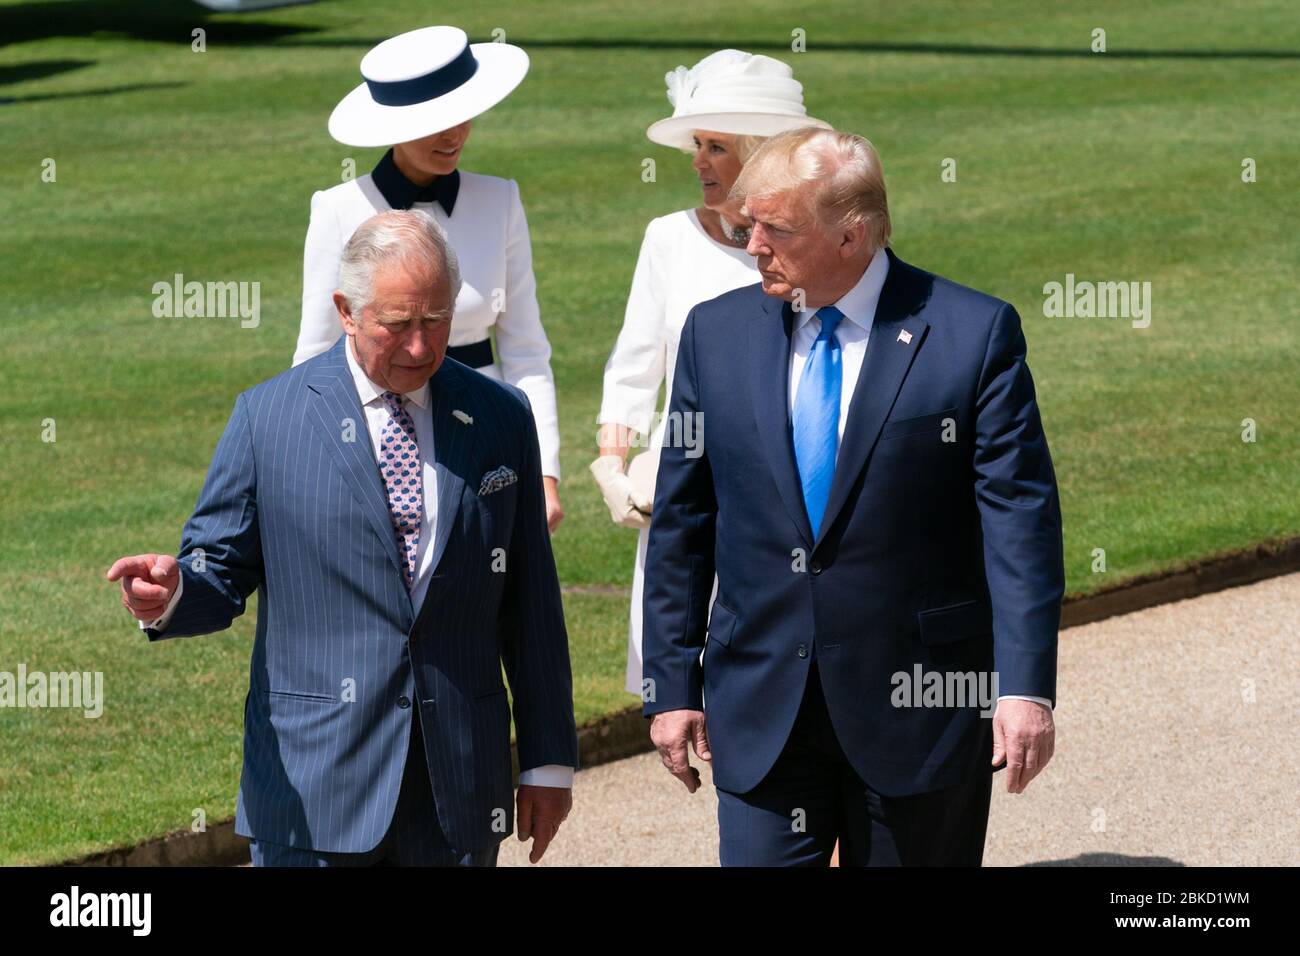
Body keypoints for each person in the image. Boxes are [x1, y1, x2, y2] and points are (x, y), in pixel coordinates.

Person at [642, 128, 1064, 866]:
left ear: (853, 234)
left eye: (776, 228)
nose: (753, 247)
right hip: (761, 707)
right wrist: (671, 683)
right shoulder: (715, 336)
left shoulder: (973, 335)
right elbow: (684, 520)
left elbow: (1018, 526)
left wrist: (1026, 688)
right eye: (748, 226)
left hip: (920, 710)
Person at [107, 210, 578, 866]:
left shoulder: (500, 417)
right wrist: (173, 593)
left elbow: (531, 601)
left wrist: (548, 762)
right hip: (312, 791)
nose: (420, 347)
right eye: (399, 325)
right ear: (346, 311)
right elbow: (219, 569)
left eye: (435, 320)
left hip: (458, 792)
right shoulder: (269, 419)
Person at [590, 49, 830, 697]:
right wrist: (613, 464)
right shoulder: (666, 239)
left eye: (716, 147)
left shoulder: (818, 245)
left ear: (760, 155)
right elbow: (635, 364)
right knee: (681, 687)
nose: (698, 161)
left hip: (788, 497)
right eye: (698, 145)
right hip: (690, 491)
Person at [295, 25, 564, 532]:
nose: (455, 134)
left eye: (463, 115)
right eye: (436, 121)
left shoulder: (500, 199)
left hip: (486, 434)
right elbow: (315, 355)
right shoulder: (336, 209)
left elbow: (527, 350)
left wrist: (545, 471)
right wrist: (308, 463)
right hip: (374, 435)